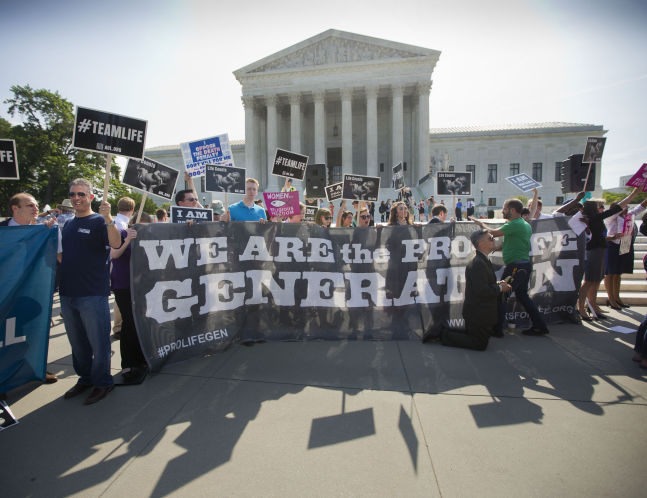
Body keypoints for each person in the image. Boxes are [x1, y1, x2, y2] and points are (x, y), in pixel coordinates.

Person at [60, 178, 122, 405]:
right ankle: (85, 378)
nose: (76, 198)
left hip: (92, 293)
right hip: (68, 294)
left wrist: (108, 219)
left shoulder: (98, 221)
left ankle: (103, 382)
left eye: (81, 194)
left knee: (98, 342)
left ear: (91, 197)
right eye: (73, 194)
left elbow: (115, 244)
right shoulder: (67, 224)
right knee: (77, 343)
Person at [2, 193, 60, 383]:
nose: (36, 209)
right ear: (15, 208)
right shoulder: (2, 231)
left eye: (36, 205)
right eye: (29, 206)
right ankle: (5, 377)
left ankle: (35, 368)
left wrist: (49, 234)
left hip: (29, 293)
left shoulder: (40, 231)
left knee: (31, 331)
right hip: (5, 294)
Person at [470, 198, 549, 336]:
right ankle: (539, 325)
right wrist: (498, 247)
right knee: (522, 296)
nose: (502, 211)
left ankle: (498, 330)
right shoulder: (523, 224)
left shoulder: (515, 224)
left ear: (512, 210)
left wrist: (480, 223)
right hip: (522, 266)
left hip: (516, 267)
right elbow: (514, 243)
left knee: (501, 295)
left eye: (505, 209)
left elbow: (492, 233)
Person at [441, 229, 511, 350]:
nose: (494, 240)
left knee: (477, 338)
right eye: (490, 238)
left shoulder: (482, 259)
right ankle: (443, 335)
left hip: (481, 312)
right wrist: (500, 288)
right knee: (479, 344)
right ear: (481, 244)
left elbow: (484, 284)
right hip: (478, 313)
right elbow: (482, 290)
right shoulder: (478, 262)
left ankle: (445, 332)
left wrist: (497, 284)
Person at [577, 189, 638, 320]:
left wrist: (612, 237)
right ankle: (581, 307)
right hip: (593, 252)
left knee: (596, 280)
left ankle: (593, 306)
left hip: (599, 250)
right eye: (600, 207)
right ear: (593, 208)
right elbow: (616, 208)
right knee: (588, 281)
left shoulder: (594, 219)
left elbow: (599, 236)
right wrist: (633, 194)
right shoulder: (593, 218)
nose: (602, 209)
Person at [110, 213, 151, 384]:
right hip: (124, 285)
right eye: (138, 225)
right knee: (129, 322)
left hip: (141, 285)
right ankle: (128, 363)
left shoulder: (149, 238)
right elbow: (114, 254)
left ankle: (141, 359)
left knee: (140, 322)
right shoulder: (120, 234)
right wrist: (128, 240)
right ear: (131, 224)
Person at [604, 198, 647, 309]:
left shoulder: (628, 216)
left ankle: (617, 297)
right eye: (623, 205)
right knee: (610, 273)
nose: (626, 207)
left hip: (625, 245)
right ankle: (611, 299)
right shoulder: (611, 217)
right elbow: (616, 211)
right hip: (613, 245)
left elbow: (640, 208)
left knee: (618, 273)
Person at [112, 197, 135, 339]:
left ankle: (119, 326)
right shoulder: (122, 226)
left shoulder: (115, 222)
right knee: (121, 304)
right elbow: (116, 250)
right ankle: (119, 327)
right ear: (132, 209)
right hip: (120, 267)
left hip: (116, 267)